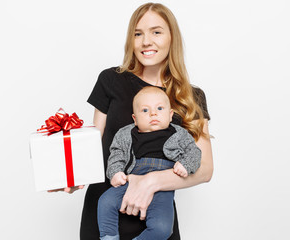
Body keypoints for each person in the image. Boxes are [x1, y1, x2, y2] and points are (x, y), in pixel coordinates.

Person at [53, 3, 213, 239]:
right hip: (104, 211)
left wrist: (150, 182)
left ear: (172, 38)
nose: (146, 41)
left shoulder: (191, 96)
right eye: (138, 34)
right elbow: (94, 147)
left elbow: (205, 170)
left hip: (157, 215)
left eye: (156, 32)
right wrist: (70, 176)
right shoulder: (110, 80)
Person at [97, 86, 202, 240]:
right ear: (135, 119)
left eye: (160, 108)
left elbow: (194, 152)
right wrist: (115, 172)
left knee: (163, 228)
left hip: (164, 184)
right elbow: (116, 153)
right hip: (132, 179)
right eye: (145, 111)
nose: (153, 113)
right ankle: (109, 236)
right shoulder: (126, 134)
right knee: (105, 202)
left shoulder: (179, 134)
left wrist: (186, 164)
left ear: (170, 114)